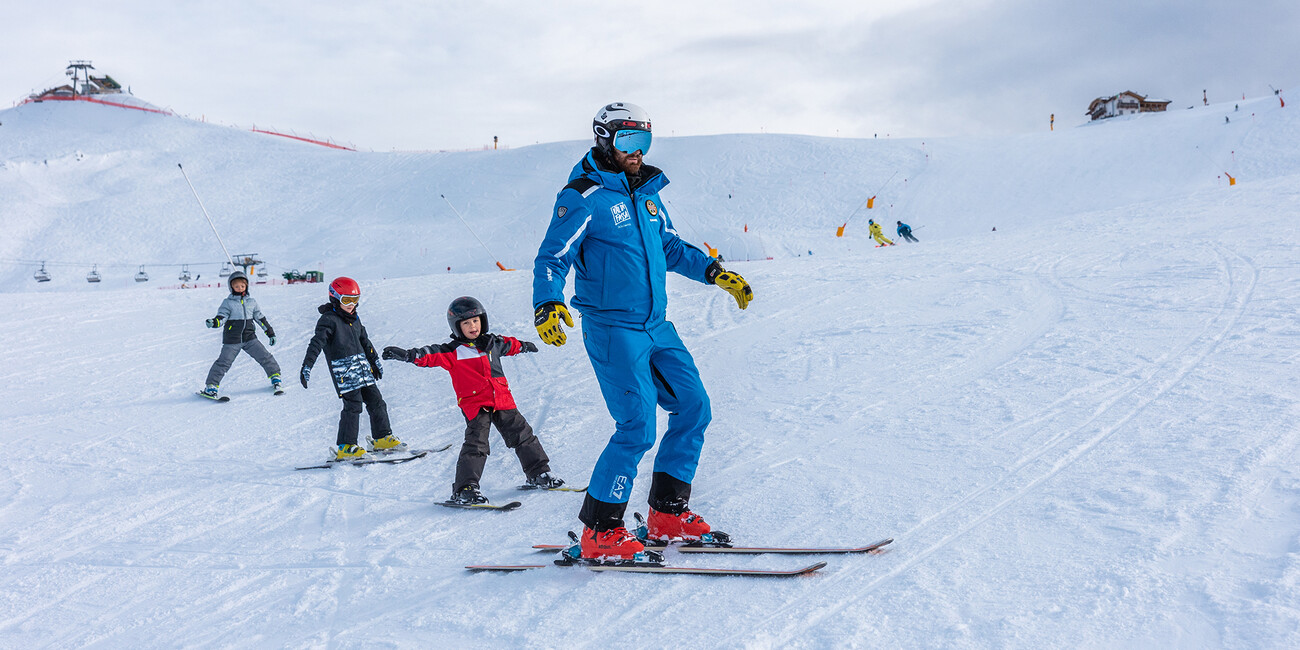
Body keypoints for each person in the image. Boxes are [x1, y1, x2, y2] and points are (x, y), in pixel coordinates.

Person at [533, 102, 754, 560]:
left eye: (644, 142)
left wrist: (713, 271)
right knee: (636, 427)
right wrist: (548, 302)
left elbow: (669, 245)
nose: (637, 152)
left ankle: (668, 513)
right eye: (628, 142)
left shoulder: (649, 193)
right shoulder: (583, 196)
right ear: (603, 139)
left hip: (658, 326)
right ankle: (600, 531)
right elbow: (553, 257)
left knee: (694, 407)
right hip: (613, 328)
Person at [382, 297, 563, 504]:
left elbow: (509, 344)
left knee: (523, 435)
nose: (472, 326)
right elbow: (429, 354)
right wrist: (407, 355)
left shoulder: (493, 343)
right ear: (457, 327)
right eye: (466, 323)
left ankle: (538, 473)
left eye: (476, 321)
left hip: (502, 400)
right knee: (476, 445)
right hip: (476, 405)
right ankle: (465, 488)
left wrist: (523, 346)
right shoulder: (452, 351)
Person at [300, 277, 403, 461]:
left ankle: (381, 438)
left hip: (363, 369)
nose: (351, 305)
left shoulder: (355, 319)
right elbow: (316, 344)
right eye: (346, 300)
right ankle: (346, 447)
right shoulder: (328, 320)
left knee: (377, 401)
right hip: (345, 373)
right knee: (353, 406)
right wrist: (307, 365)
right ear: (335, 298)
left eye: (355, 300)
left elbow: (365, 341)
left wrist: (374, 361)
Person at [201, 270, 281, 398]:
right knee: (223, 363)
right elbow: (222, 317)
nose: (239, 288)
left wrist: (270, 333)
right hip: (232, 340)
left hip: (250, 338)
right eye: (236, 286)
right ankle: (211, 387)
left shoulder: (252, 302)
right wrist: (214, 322)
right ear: (231, 287)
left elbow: (260, 319)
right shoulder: (228, 303)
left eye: (242, 286)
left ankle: (275, 377)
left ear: (246, 286)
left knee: (265, 356)